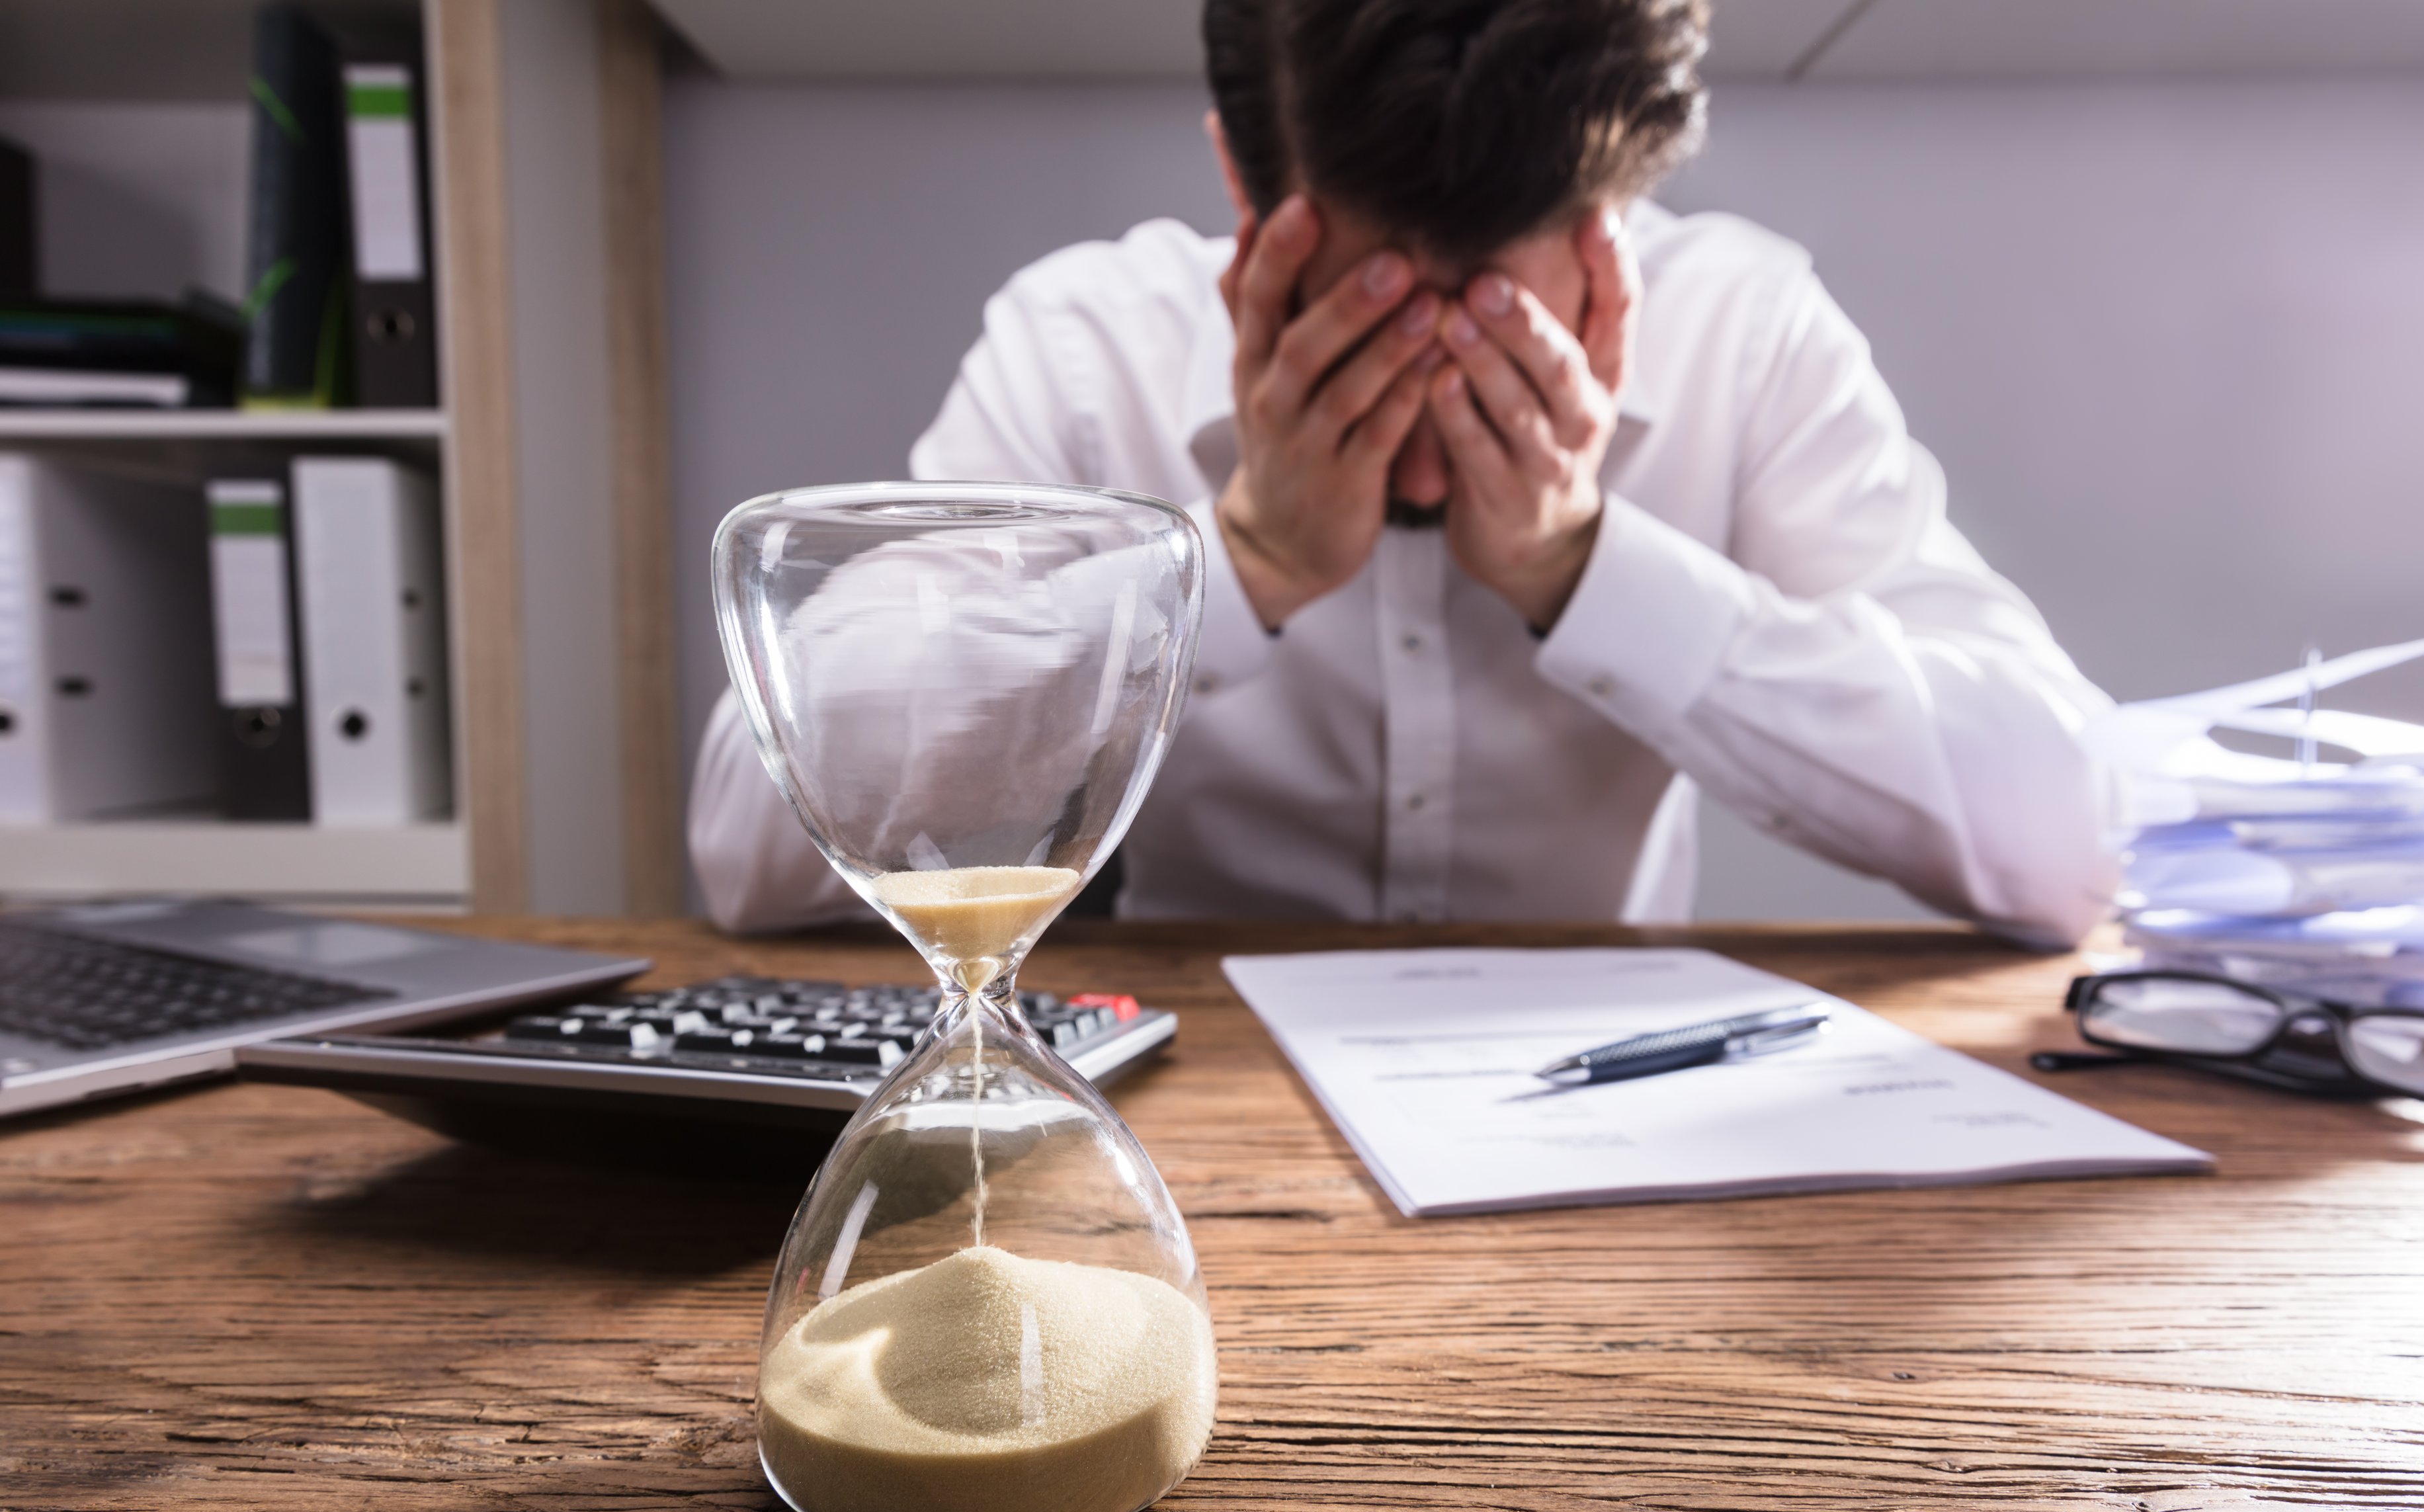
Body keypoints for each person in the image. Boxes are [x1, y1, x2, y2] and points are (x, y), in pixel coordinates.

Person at [690, 0, 2118, 947]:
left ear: (1620, 226)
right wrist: (1226, 568)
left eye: (1505, 318)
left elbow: (2068, 841)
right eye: (1370, 309)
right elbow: (749, 845)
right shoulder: (1083, 352)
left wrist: (1588, 568)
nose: (1435, 400)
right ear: (1250, 199)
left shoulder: (1750, 332)